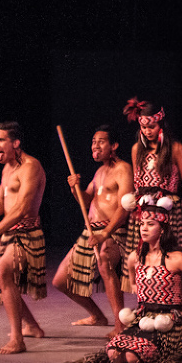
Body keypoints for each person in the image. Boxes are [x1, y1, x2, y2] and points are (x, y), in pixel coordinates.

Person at [72, 203, 182, 363]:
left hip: (169, 324)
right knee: (114, 354)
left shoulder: (176, 258)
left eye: (150, 224)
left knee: (131, 357)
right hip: (141, 319)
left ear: (163, 229)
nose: (144, 228)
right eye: (142, 224)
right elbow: (134, 284)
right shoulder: (135, 258)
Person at [0, 122, 47, 354]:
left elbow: (22, 209)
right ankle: (32, 326)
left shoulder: (31, 167)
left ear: (16, 143)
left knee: (2, 272)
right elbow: (1, 206)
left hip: (27, 234)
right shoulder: (7, 170)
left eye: (1, 140)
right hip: (9, 234)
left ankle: (17, 339)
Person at [52, 125, 133, 337]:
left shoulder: (123, 169)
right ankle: (97, 316)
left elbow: (125, 206)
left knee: (104, 261)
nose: (95, 145)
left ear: (113, 145)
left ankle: (120, 324)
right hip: (92, 232)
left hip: (114, 231)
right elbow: (87, 200)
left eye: (101, 141)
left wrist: (105, 233)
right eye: (93, 141)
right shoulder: (99, 172)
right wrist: (75, 188)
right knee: (60, 280)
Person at [123, 98, 182, 259]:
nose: (148, 131)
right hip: (143, 211)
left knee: (166, 258)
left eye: (152, 127)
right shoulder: (137, 149)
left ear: (161, 124)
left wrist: (179, 215)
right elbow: (137, 183)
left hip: (167, 209)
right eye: (144, 127)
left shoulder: (175, 148)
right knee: (139, 258)